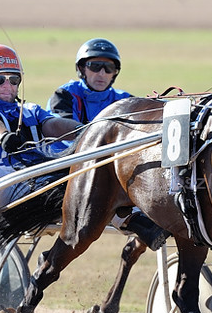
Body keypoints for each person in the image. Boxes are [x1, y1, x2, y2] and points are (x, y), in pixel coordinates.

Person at [47, 38, 168, 251]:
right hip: (69, 171)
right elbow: (68, 137)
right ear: (82, 69)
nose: (101, 73)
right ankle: (132, 221)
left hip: (109, 174)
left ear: (115, 73)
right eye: (95, 66)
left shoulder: (124, 101)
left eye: (108, 68)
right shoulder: (64, 96)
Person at [0, 44, 83, 231]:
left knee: (83, 173)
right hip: (0, 187)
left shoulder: (30, 110)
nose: (8, 86)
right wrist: (4, 138)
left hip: (33, 186)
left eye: (14, 79)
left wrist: (85, 130)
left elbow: (54, 125)